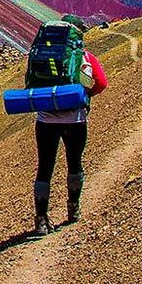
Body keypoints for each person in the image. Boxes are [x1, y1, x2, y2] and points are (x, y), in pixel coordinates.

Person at [33, 14, 108, 235]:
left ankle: (41, 219)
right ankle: (73, 209)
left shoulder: (42, 53)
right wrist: (83, 96)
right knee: (74, 163)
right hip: (75, 119)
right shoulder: (85, 57)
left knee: (44, 167)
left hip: (45, 120)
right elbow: (101, 83)